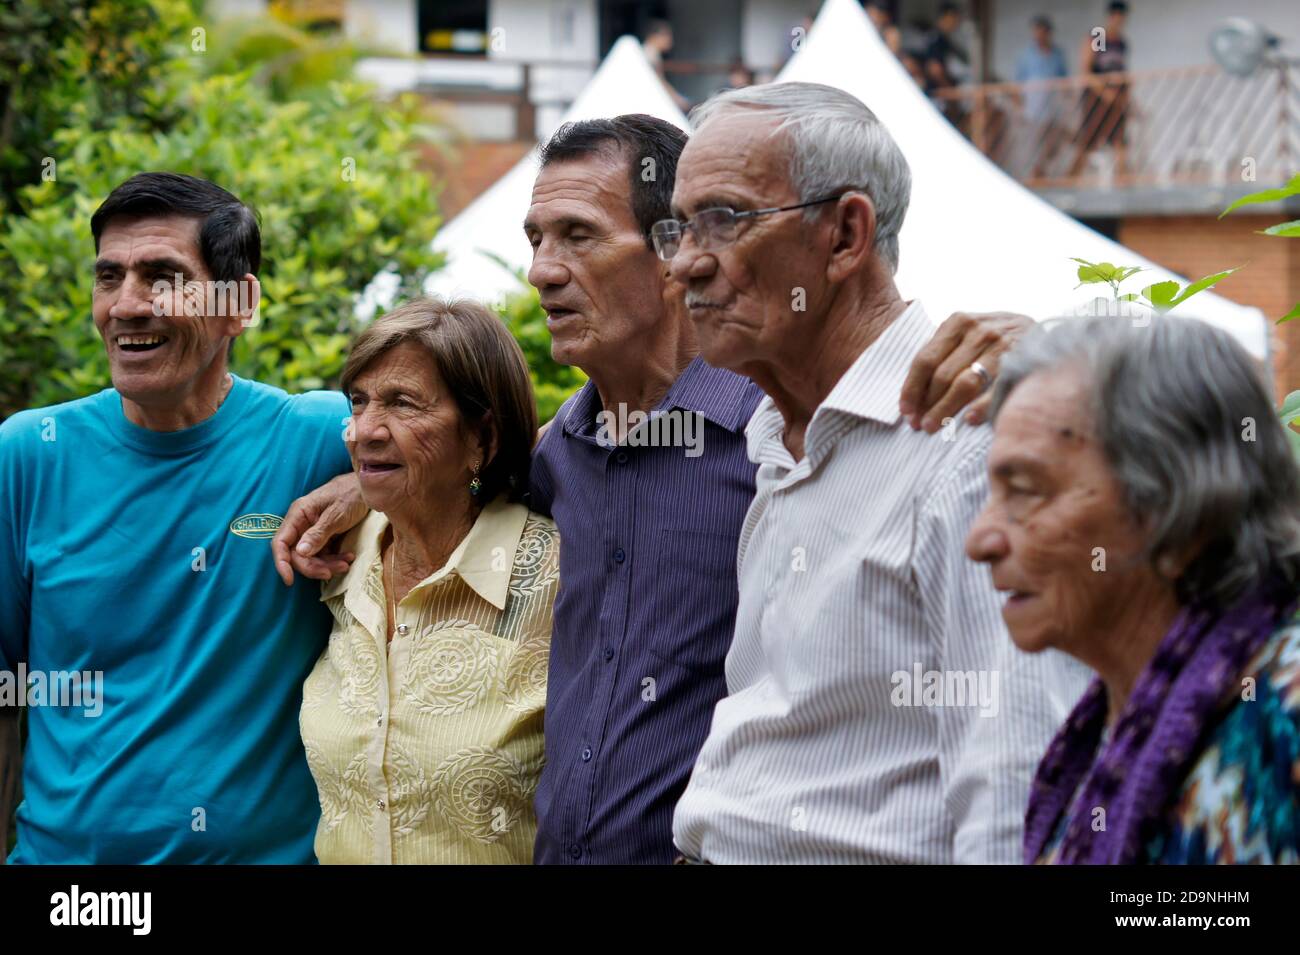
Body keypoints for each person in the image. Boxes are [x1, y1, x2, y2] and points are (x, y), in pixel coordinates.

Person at [274, 112, 1035, 865]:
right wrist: (368, 485)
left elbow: (1013, 754)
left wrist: (1050, 349)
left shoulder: (775, 437)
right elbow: (464, 459)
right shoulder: (562, 455)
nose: (541, 270)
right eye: (536, 239)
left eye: (579, 235)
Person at [664, 81, 1088, 864]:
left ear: (845, 235)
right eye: (680, 226)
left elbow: (1017, 778)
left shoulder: (966, 441)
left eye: (724, 219)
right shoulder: (777, 436)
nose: (687, 262)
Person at [0, 172, 356, 863]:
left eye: (163, 278)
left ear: (238, 305)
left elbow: (486, 449)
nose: (127, 305)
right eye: (109, 277)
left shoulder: (317, 437)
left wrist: (363, 486)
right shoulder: (29, 454)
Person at [965, 316, 1300, 864]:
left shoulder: (1284, 711)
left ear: (1181, 510)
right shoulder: (1103, 739)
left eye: (1024, 491)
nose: (979, 541)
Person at [300, 297, 558, 864]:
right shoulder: (340, 561)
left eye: (402, 403)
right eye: (359, 401)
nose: (363, 431)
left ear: (482, 437)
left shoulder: (560, 577)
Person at [1073, 1, 1130, 177]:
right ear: (1110, 17)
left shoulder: (1120, 43)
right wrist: (1104, 92)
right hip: (1096, 99)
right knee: (1088, 144)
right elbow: (1087, 70)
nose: (1118, 22)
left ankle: (1122, 179)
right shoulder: (1100, 36)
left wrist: (1126, 99)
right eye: (1116, 17)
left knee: (1120, 142)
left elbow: (1122, 73)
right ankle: (1071, 179)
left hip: (1116, 100)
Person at [1013, 16, 1068, 178]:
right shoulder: (1026, 55)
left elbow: (1064, 81)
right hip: (1033, 111)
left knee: (1054, 145)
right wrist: (1019, 108)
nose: (1039, 36)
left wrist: (1068, 106)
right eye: (1036, 32)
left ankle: (1043, 172)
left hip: (1053, 109)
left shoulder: (1057, 54)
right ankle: (1036, 176)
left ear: (1048, 33)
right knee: (1034, 147)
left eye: (1042, 32)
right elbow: (1017, 84)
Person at [642, 18, 690, 112]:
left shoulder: (649, 52)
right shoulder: (650, 54)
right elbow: (658, 82)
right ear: (655, 36)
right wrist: (679, 100)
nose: (670, 40)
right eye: (667, 36)